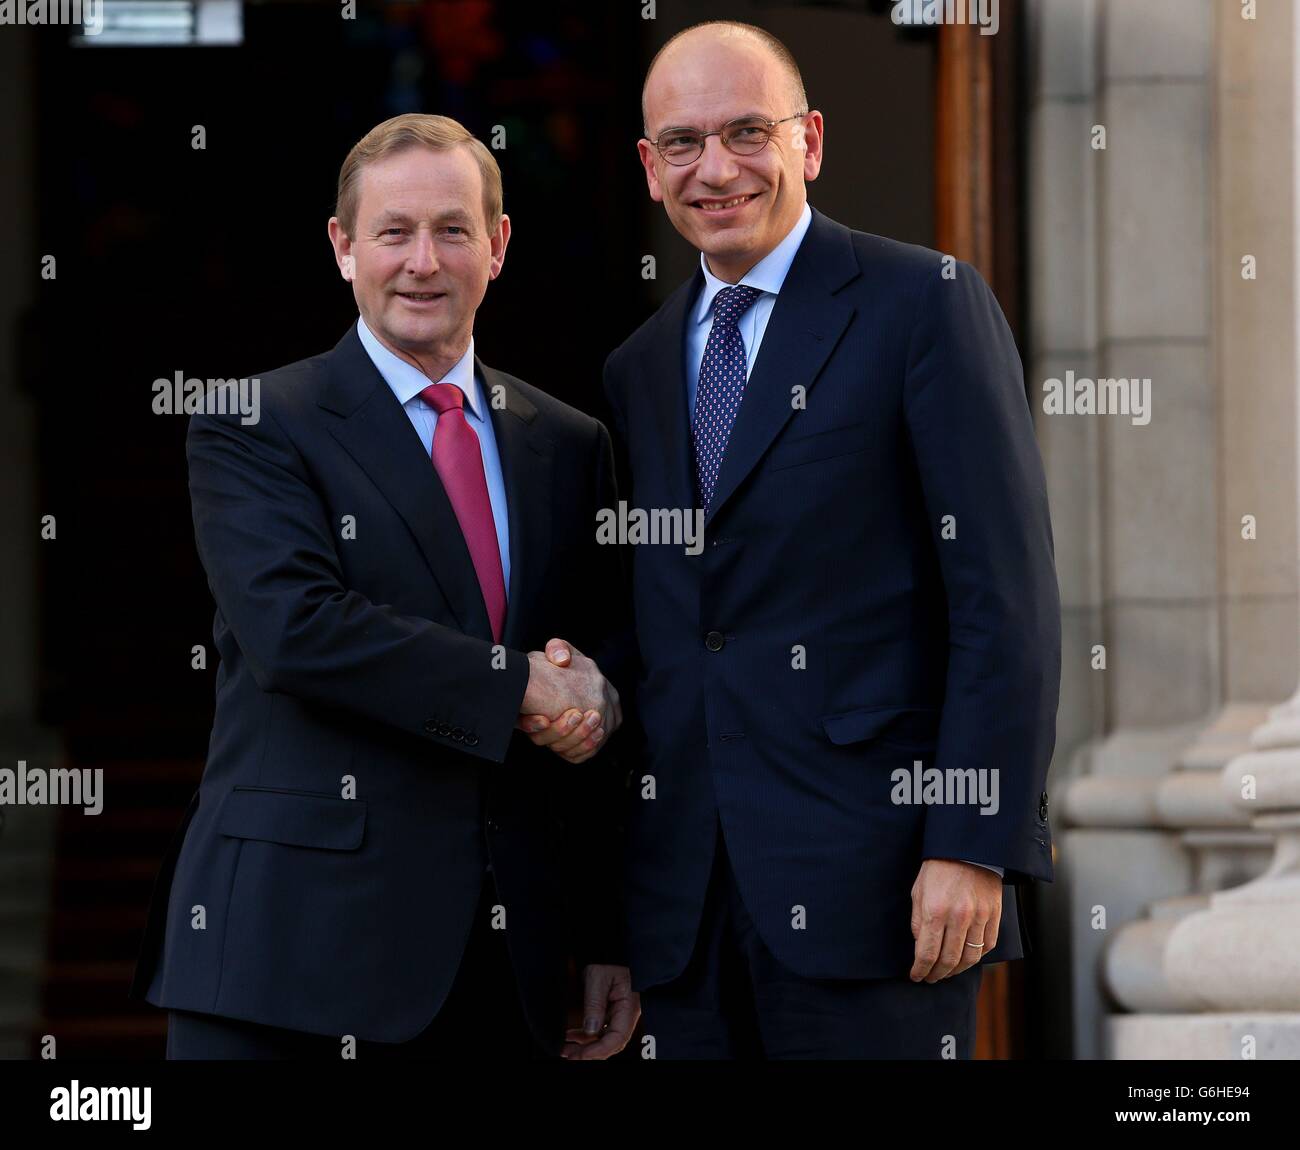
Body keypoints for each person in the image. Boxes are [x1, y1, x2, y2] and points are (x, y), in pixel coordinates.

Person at [577, 20, 1061, 1058]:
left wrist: (973, 843)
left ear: (812, 142)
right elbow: (666, 630)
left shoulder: (921, 305)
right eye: (682, 142)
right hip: (688, 915)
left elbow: (1001, 600)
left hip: (881, 892)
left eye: (747, 131)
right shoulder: (637, 365)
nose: (716, 169)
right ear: (648, 166)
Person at [130, 113, 639, 1061]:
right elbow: (299, 631)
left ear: (499, 245)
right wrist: (525, 684)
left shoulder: (569, 445)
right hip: (289, 962)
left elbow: (600, 673)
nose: (422, 262)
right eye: (393, 232)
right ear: (342, 246)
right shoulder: (257, 422)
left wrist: (606, 934)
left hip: (501, 971)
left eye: (453, 229)